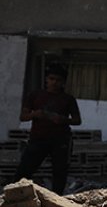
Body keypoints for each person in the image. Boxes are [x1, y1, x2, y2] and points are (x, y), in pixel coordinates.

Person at [15, 64, 82, 195]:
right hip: (38, 138)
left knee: (60, 172)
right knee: (25, 169)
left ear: (63, 82)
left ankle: (57, 199)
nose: (54, 83)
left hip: (61, 140)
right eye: (51, 79)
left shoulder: (68, 99)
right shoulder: (35, 95)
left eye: (58, 80)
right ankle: (17, 196)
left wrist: (62, 119)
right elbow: (23, 117)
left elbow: (77, 120)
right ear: (46, 79)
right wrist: (35, 114)